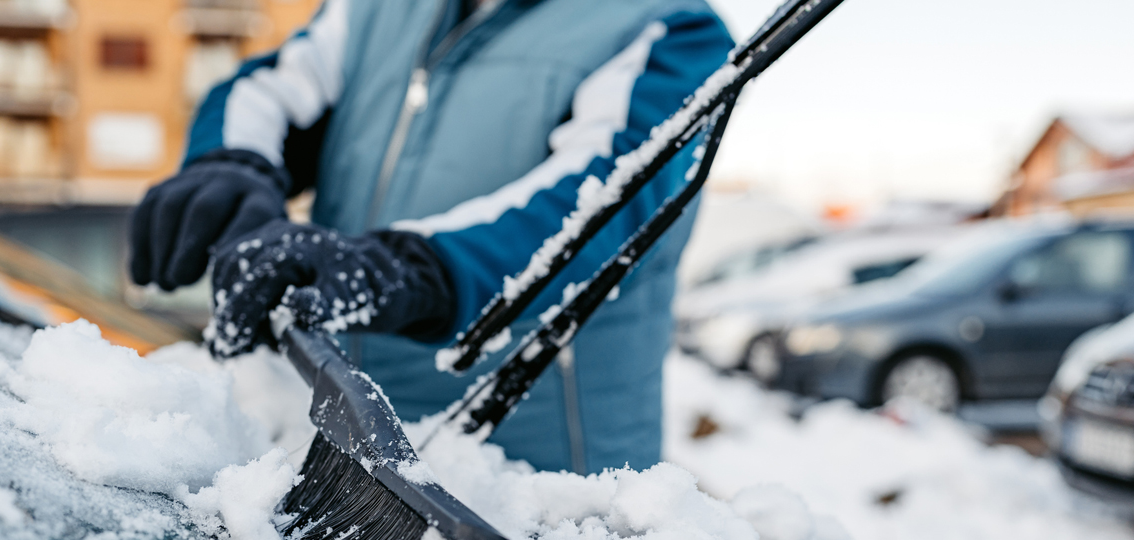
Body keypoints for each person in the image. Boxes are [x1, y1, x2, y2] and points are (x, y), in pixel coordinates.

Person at [128, 0, 733, 474]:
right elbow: (275, 87)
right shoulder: (377, 9)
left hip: (550, 492)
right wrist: (235, 163)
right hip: (358, 466)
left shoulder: (667, 27)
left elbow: (602, 200)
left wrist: (408, 267)